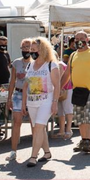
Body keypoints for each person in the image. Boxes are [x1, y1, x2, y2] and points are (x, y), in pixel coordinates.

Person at [21, 37, 60, 167]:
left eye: (34, 49)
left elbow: (57, 85)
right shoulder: (30, 65)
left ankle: (33, 156)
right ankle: (47, 152)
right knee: (39, 128)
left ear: (42, 50)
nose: (31, 52)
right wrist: (23, 103)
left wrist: (54, 102)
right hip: (32, 101)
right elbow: (26, 85)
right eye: (30, 49)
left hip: (46, 100)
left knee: (38, 127)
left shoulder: (51, 65)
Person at [5, 38, 32, 161]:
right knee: (16, 122)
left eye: (28, 47)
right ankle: (13, 151)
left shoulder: (36, 62)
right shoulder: (16, 62)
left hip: (32, 94)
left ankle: (35, 151)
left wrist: (27, 77)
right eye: (24, 47)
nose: (26, 49)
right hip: (18, 93)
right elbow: (12, 82)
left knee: (34, 123)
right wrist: (9, 98)